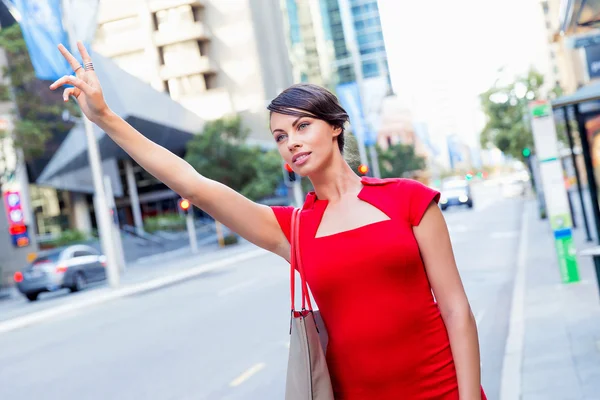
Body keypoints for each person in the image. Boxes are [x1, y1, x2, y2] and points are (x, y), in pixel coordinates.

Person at [50, 42, 487, 400]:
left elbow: (455, 309)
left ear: (335, 127)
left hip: (442, 389)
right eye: (281, 136)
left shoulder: (408, 200)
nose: (291, 142)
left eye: (302, 127)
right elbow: (194, 185)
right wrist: (106, 118)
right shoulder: (293, 229)